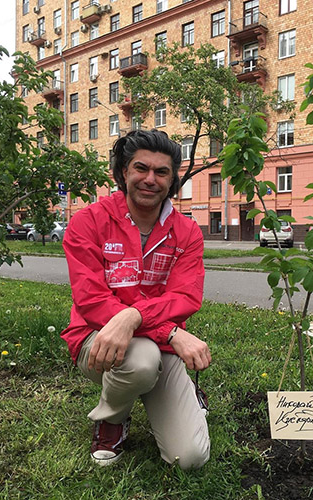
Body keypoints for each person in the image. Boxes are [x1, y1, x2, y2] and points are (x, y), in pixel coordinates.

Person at [61, 129, 211, 469]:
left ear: (173, 180)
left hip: (162, 346)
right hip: (97, 338)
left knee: (188, 458)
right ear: (123, 172)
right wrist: (169, 332)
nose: (150, 179)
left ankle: (181, 392)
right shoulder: (88, 222)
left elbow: (185, 297)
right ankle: (112, 419)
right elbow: (91, 300)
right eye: (140, 168)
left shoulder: (186, 232)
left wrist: (134, 317)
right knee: (140, 361)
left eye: (162, 172)